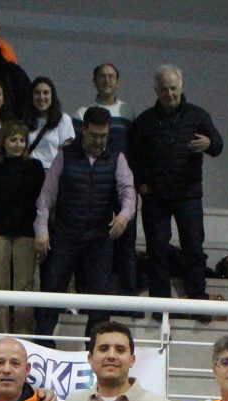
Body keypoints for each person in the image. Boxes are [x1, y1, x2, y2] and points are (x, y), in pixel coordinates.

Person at [34, 106, 135, 341]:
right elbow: (46, 197)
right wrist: (41, 229)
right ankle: (43, 346)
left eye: (103, 136)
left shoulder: (117, 158)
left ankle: (96, 349)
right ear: (84, 131)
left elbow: (128, 192)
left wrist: (124, 216)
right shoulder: (65, 155)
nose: (99, 141)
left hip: (99, 237)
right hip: (64, 235)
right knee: (51, 294)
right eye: (94, 136)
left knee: (100, 300)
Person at [127, 64, 222, 306]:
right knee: (156, 250)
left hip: (189, 195)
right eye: (164, 89)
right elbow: (132, 158)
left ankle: (196, 299)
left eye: (173, 88)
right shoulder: (144, 121)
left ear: (181, 87)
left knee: (193, 247)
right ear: (156, 90)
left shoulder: (198, 116)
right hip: (155, 197)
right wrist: (141, 185)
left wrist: (209, 143)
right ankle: (161, 304)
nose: (169, 93)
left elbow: (219, 146)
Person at [77, 62, 138, 298]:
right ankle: (90, 296)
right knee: (92, 245)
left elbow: (136, 149)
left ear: (118, 82)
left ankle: (128, 298)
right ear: (94, 81)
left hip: (122, 184)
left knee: (127, 244)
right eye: (102, 76)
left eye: (111, 76)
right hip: (93, 187)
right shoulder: (82, 113)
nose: (107, 80)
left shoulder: (128, 112)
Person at [0, 121, 44, 336]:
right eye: (13, 140)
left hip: (26, 233)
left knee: (24, 287)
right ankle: (1, 335)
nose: (18, 144)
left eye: (22, 140)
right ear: (3, 142)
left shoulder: (35, 167)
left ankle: (22, 336)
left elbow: (42, 202)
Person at [26, 77, 75, 170]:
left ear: (52, 96)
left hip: (52, 172)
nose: (41, 97)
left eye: (46, 93)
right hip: (29, 172)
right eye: (37, 93)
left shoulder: (63, 120)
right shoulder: (24, 120)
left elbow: (66, 152)